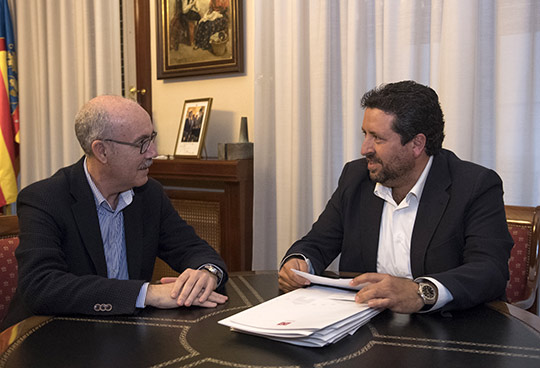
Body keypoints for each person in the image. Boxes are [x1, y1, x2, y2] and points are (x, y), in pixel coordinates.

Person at [278, 80, 513, 314]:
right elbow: (317, 242)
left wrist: (422, 292)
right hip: (364, 325)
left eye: (377, 138)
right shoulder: (356, 177)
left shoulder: (474, 185)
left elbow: (489, 270)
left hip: (449, 328)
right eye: (365, 135)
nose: (365, 148)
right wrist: (299, 263)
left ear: (417, 144)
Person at [1, 95, 228, 329]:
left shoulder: (149, 195)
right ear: (102, 151)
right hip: (49, 336)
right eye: (142, 143)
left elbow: (192, 248)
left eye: (152, 138)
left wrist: (207, 272)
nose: (154, 152)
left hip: (125, 333)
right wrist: (148, 294)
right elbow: (41, 286)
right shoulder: (45, 199)